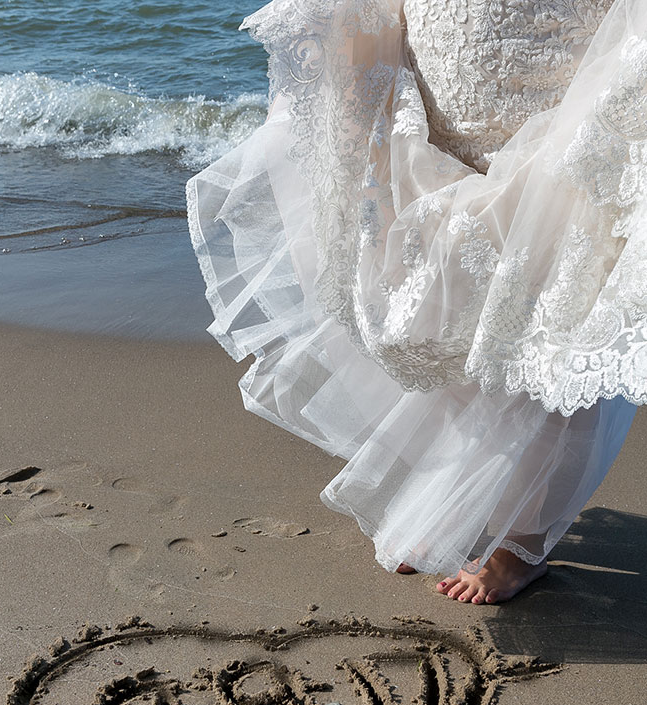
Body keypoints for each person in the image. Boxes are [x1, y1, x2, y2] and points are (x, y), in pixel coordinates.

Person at [186, 0, 647, 604]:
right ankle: (467, 499)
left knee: (554, 296)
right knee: (427, 300)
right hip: (442, 61)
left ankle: (522, 542)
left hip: (566, 58)